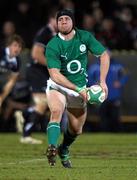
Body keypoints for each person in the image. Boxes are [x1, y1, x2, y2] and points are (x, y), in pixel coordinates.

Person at [45, 9, 110, 168]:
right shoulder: (53, 44)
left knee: (76, 129)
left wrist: (102, 82)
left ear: (73, 22)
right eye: (60, 20)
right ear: (57, 23)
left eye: (67, 19)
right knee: (56, 112)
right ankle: (52, 147)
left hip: (79, 89)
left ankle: (64, 149)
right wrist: (78, 89)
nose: (64, 22)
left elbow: (104, 55)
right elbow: (54, 74)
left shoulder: (84, 37)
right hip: (58, 86)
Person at [20, 9, 68, 144]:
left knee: (47, 103)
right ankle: (26, 134)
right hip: (36, 71)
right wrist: (53, 66)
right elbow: (36, 54)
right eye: (59, 20)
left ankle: (26, 113)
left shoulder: (56, 35)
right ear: (51, 20)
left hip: (43, 72)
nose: (62, 23)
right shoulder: (45, 33)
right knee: (43, 102)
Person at [88, 51, 129, 132]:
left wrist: (120, 82)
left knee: (115, 116)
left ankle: (118, 133)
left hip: (114, 95)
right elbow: (88, 78)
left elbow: (126, 74)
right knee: (103, 116)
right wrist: (94, 85)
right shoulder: (95, 67)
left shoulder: (117, 66)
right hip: (101, 96)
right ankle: (104, 132)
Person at [0, 34, 24, 130]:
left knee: (5, 105)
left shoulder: (17, 61)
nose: (17, 48)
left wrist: (1, 98)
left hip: (2, 86)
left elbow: (12, 81)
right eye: (15, 45)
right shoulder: (1, 53)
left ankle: (3, 129)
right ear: (8, 46)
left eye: (19, 46)